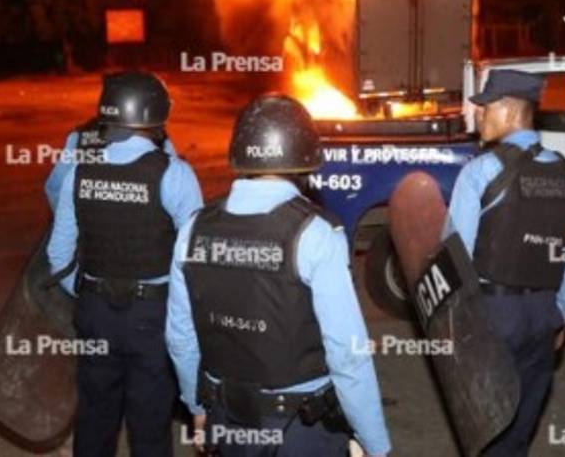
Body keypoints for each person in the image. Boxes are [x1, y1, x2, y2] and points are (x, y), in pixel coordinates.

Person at [165, 94, 391, 456]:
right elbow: (348, 354)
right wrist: (374, 442)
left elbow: (180, 337)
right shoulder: (315, 233)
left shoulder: (193, 229)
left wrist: (197, 408)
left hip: (228, 422)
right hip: (301, 431)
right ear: (304, 157)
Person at [47, 71, 203, 457]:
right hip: (153, 314)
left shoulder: (79, 171)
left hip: (94, 311)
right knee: (149, 424)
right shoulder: (174, 173)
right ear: (156, 116)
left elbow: (58, 255)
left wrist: (89, 291)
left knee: (95, 416)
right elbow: (196, 258)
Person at [447, 69, 565, 456]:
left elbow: (453, 259)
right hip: (542, 316)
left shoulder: (479, 173)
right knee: (516, 437)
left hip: (490, 318)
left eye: (485, 108)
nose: (477, 116)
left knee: (484, 432)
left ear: (510, 110)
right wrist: (558, 315)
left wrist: (455, 329)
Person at [44, 83, 177, 211]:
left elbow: (55, 188)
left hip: (88, 229)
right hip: (145, 228)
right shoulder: (159, 140)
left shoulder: (79, 136)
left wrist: (72, 223)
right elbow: (176, 195)